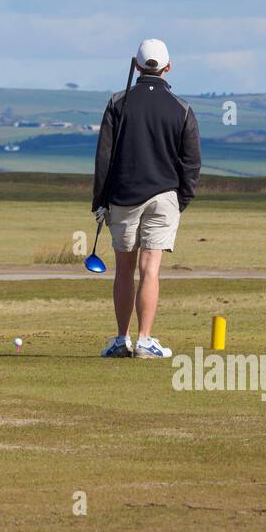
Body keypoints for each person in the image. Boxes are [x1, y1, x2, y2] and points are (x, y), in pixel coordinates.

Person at [91, 38, 201, 359]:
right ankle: (145, 340)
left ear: (137, 66)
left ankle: (121, 339)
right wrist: (181, 199)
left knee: (124, 270)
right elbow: (191, 162)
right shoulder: (181, 109)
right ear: (167, 67)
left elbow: (104, 158)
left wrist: (99, 201)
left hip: (123, 196)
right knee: (150, 269)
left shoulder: (117, 102)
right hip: (165, 196)